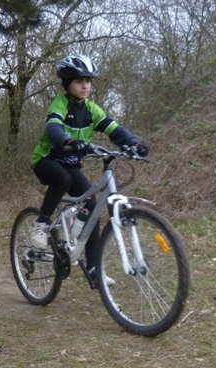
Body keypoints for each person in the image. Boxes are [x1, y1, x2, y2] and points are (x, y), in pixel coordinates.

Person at [29, 54, 149, 285]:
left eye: (88, 81)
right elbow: (54, 128)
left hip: (71, 164)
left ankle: (94, 269)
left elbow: (114, 129)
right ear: (67, 84)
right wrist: (68, 141)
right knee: (62, 179)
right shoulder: (60, 104)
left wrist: (134, 143)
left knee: (93, 209)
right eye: (78, 81)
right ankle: (41, 224)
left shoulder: (92, 109)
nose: (85, 85)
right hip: (46, 160)